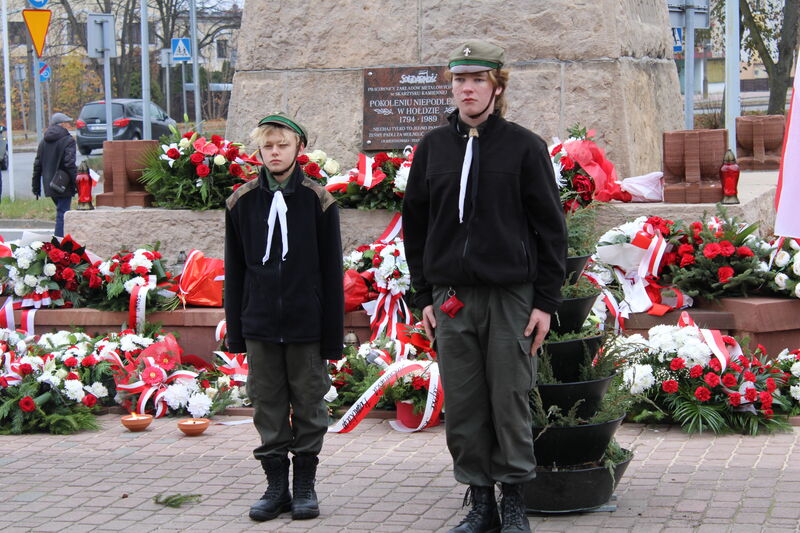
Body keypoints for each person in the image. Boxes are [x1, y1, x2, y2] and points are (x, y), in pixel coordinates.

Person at [403, 40, 567, 533]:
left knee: (510, 398)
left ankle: (514, 498)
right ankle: (480, 502)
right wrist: (422, 295)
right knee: (466, 401)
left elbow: (550, 229)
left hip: (511, 296)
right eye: (459, 80)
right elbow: (415, 224)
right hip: (452, 299)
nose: (466, 89)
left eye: (477, 80)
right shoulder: (433, 148)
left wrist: (544, 302)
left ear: (497, 86)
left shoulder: (523, 146)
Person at [224, 112, 343, 522]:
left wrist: (332, 336)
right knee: (267, 404)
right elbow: (235, 271)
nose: (274, 153)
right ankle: (276, 486)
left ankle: (304, 485)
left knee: (309, 403)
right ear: (259, 151)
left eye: (282, 146)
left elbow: (331, 273)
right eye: (268, 146)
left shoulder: (318, 200)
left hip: (305, 323)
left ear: (299, 150)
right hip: (260, 324)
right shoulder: (241, 202)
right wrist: (238, 332)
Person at [32, 112, 77, 237]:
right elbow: (69, 164)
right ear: (62, 124)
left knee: (62, 213)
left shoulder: (44, 141)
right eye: (68, 123)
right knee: (63, 215)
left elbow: (37, 166)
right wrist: (77, 183)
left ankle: (63, 240)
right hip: (63, 183)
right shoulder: (68, 140)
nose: (70, 125)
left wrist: (36, 188)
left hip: (49, 185)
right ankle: (59, 243)